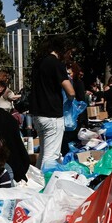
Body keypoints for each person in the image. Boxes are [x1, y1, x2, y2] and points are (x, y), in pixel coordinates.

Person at [29, 34, 75, 169]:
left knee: (43, 154)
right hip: (52, 115)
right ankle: (45, 185)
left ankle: (36, 182)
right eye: (70, 53)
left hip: (38, 115)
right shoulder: (56, 64)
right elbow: (71, 92)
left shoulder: (38, 63)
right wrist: (70, 100)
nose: (69, 57)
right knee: (51, 157)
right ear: (63, 49)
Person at [61, 61, 87, 155]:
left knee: (72, 143)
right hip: (68, 119)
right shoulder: (65, 84)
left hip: (75, 120)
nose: (68, 75)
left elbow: (82, 102)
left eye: (70, 73)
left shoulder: (78, 83)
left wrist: (82, 121)